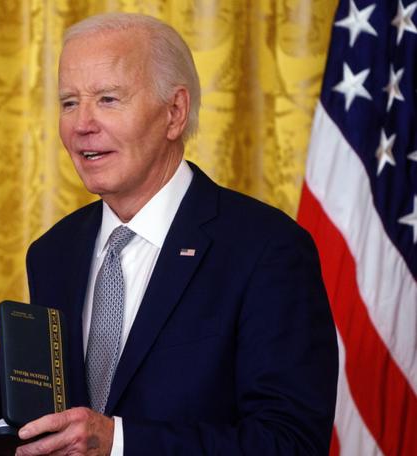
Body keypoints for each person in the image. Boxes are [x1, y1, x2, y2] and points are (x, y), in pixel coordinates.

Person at [18, 13, 338, 455]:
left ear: (175, 112)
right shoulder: (53, 252)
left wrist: (120, 443)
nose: (81, 124)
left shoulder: (266, 249)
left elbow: (291, 442)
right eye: (69, 102)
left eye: (108, 99)